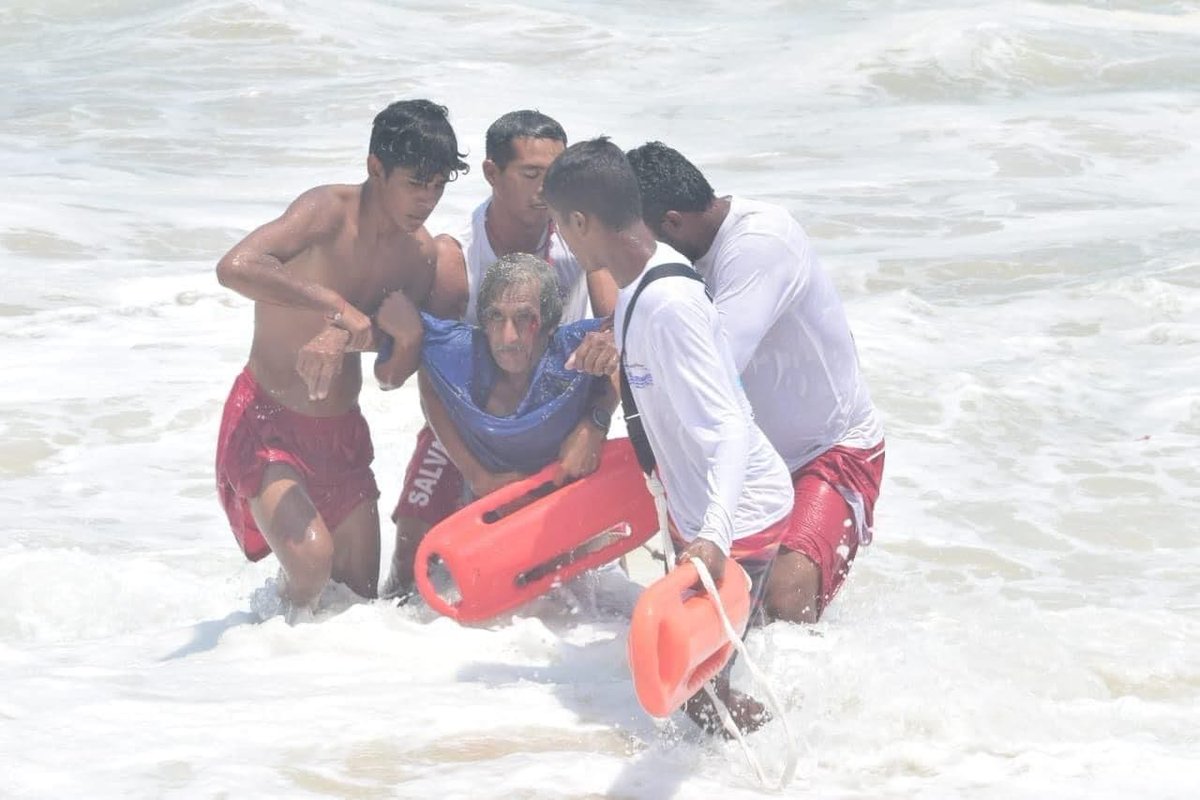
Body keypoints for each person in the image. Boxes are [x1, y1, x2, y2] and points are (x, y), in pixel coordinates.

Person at [543, 138, 795, 734]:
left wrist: (713, 535)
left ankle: (805, 758)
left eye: (559, 226)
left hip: (739, 514)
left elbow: (730, 424)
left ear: (581, 222)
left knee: (697, 692)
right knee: (703, 682)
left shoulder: (667, 303)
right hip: (701, 510)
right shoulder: (637, 290)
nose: (560, 240)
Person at [214, 99, 468, 611]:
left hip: (342, 436)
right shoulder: (327, 212)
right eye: (415, 183)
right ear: (376, 168)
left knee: (357, 606)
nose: (427, 200)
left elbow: (391, 376)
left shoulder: (419, 256)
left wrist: (403, 339)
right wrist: (334, 308)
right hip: (266, 422)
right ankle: (247, 656)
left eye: (438, 186)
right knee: (309, 565)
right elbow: (235, 266)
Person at [625, 142, 885, 625]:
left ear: (673, 222)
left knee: (784, 601)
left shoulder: (762, 241)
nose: (635, 251)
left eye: (641, 236)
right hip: (749, 460)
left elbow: (717, 361)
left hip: (828, 453)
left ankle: (814, 696)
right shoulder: (673, 257)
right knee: (727, 614)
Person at [382, 110, 620, 598]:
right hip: (466, 431)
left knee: (570, 588)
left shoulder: (582, 247)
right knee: (410, 570)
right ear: (492, 174)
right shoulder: (456, 259)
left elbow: (624, 341)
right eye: (531, 175)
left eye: (555, 175)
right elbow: (435, 375)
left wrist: (594, 426)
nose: (545, 188)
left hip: (558, 426)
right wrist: (475, 473)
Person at [374, 252, 619, 599]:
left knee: (563, 580)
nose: (508, 336)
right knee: (410, 557)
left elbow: (640, 342)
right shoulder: (456, 348)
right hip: (464, 451)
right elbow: (416, 370)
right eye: (496, 317)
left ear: (549, 324)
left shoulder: (573, 352)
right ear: (483, 322)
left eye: (525, 319)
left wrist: (596, 422)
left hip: (544, 465)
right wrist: (476, 475)